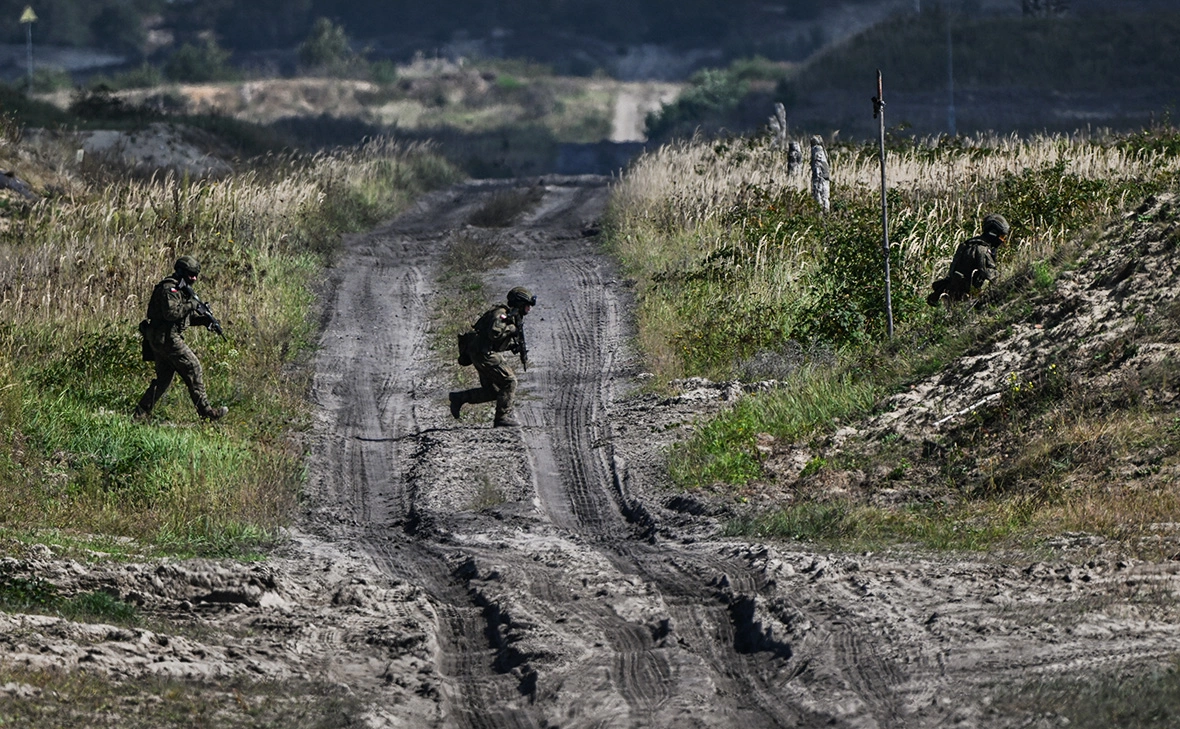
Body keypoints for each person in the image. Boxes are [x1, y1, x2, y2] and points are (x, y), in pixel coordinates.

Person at [133, 256, 228, 422]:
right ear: (180, 271)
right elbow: (171, 314)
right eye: (190, 274)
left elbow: (183, 318)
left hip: (162, 338)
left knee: (163, 379)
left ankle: (140, 414)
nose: (194, 278)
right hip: (166, 339)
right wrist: (192, 304)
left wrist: (204, 320)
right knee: (193, 367)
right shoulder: (170, 289)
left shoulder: (181, 289)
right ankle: (206, 413)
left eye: (196, 275)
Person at [449, 286, 536, 427]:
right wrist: (511, 329)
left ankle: (459, 398)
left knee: (493, 391)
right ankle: (502, 418)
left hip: (480, 352)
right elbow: (494, 334)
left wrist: (512, 346)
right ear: (519, 303)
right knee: (509, 381)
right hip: (483, 354)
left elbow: (495, 341)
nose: (528, 309)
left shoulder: (511, 315)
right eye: (526, 306)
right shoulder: (501, 314)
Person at [927, 213, 1011, 306]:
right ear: (993, 233)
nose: (1003, 241)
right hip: (967, 302)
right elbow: (993, 278)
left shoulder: (967, 244)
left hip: (953, 298)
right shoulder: (981, 250)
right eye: (1002, 237)